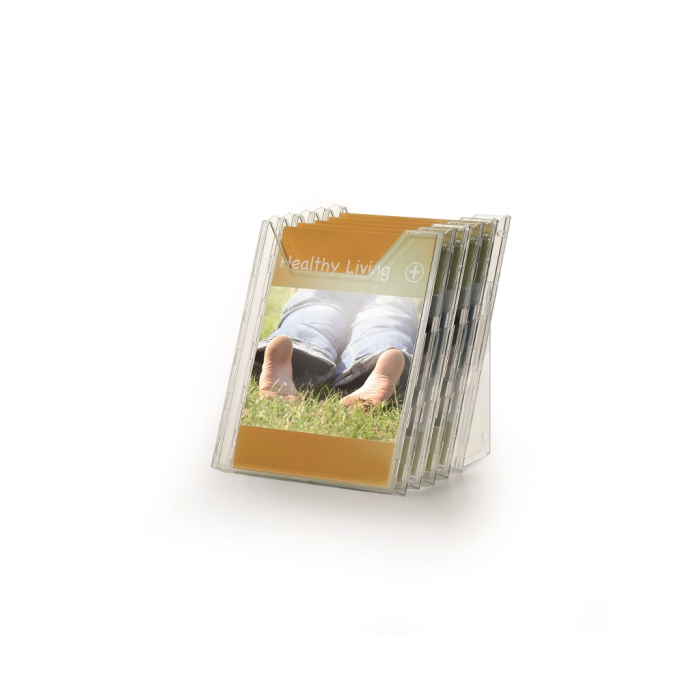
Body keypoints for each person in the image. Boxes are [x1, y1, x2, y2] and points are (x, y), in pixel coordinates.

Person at [255, 289, 418, 406]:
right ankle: (383, 357)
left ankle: (295, 347)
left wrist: (297, 290)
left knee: (312, 320)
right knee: (383, 325)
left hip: (329, 278)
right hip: (389, 286)